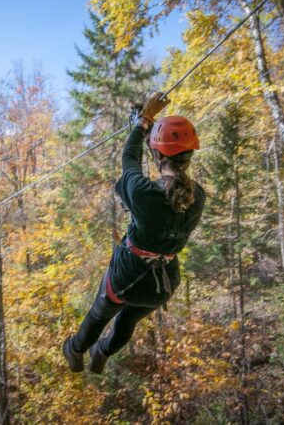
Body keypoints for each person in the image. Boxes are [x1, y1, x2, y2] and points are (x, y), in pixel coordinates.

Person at [62, 92, 205, 374]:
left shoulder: (143, 193)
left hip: (128, 274)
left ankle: (76, 349)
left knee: (100, 313)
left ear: (157, 155)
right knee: (127, 322)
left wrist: (143, 124)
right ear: (188, 158)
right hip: (161, 285)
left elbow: (129, 159)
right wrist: (150, 130)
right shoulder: (197, 196)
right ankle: (102, 353)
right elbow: (163, 191)